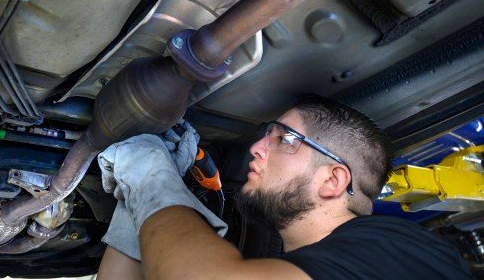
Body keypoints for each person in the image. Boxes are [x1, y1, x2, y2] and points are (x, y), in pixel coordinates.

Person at [96, 95, 473, 279]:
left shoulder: (399, 248)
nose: (257, 148)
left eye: (284, 138)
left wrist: (151, 180)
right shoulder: (319, 264)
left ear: (333, 180)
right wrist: (135, 200)